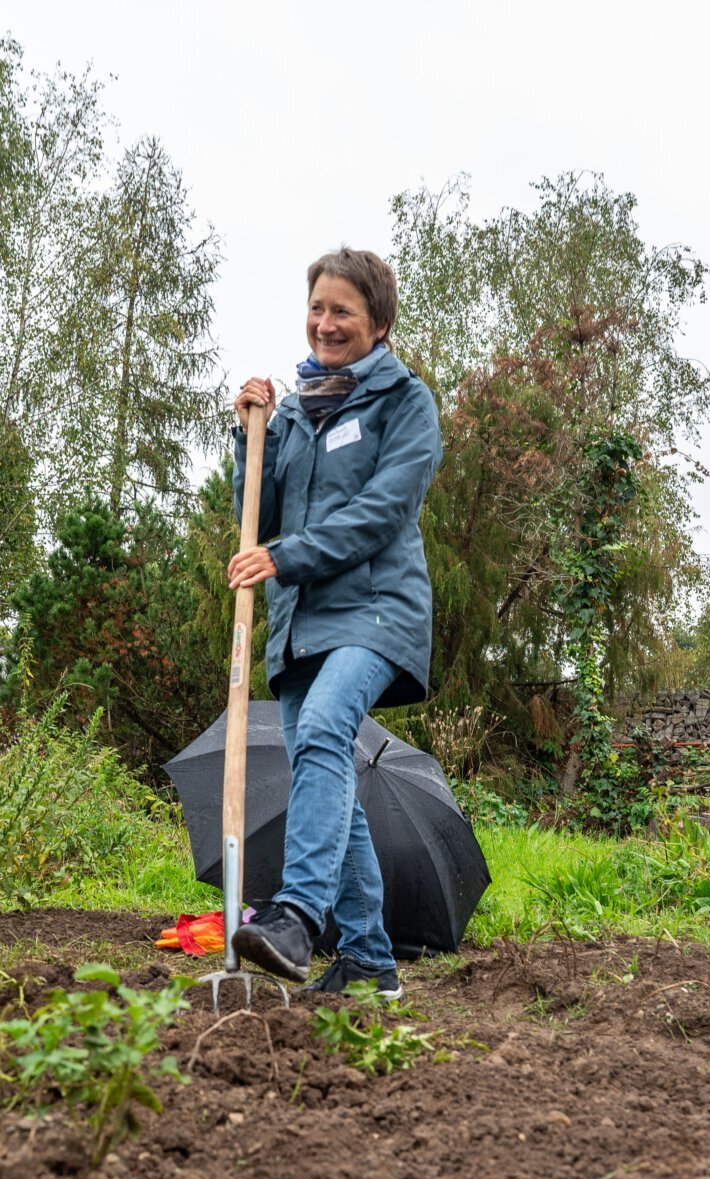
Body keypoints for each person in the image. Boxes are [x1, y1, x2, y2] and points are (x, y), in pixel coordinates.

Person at [225, 248, 442, 1000]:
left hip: (377, 611)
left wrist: (285, 556)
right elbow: (259, 516)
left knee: (322, 729)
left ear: (378, 323)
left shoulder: (405, 404)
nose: (325, 323)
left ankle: (296, 916)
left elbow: (381, 513)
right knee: (329, 782)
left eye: (342, 310)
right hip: (299, 622)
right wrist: (244, 437)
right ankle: (370, 958)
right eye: (317, 307)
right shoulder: (293, 411)